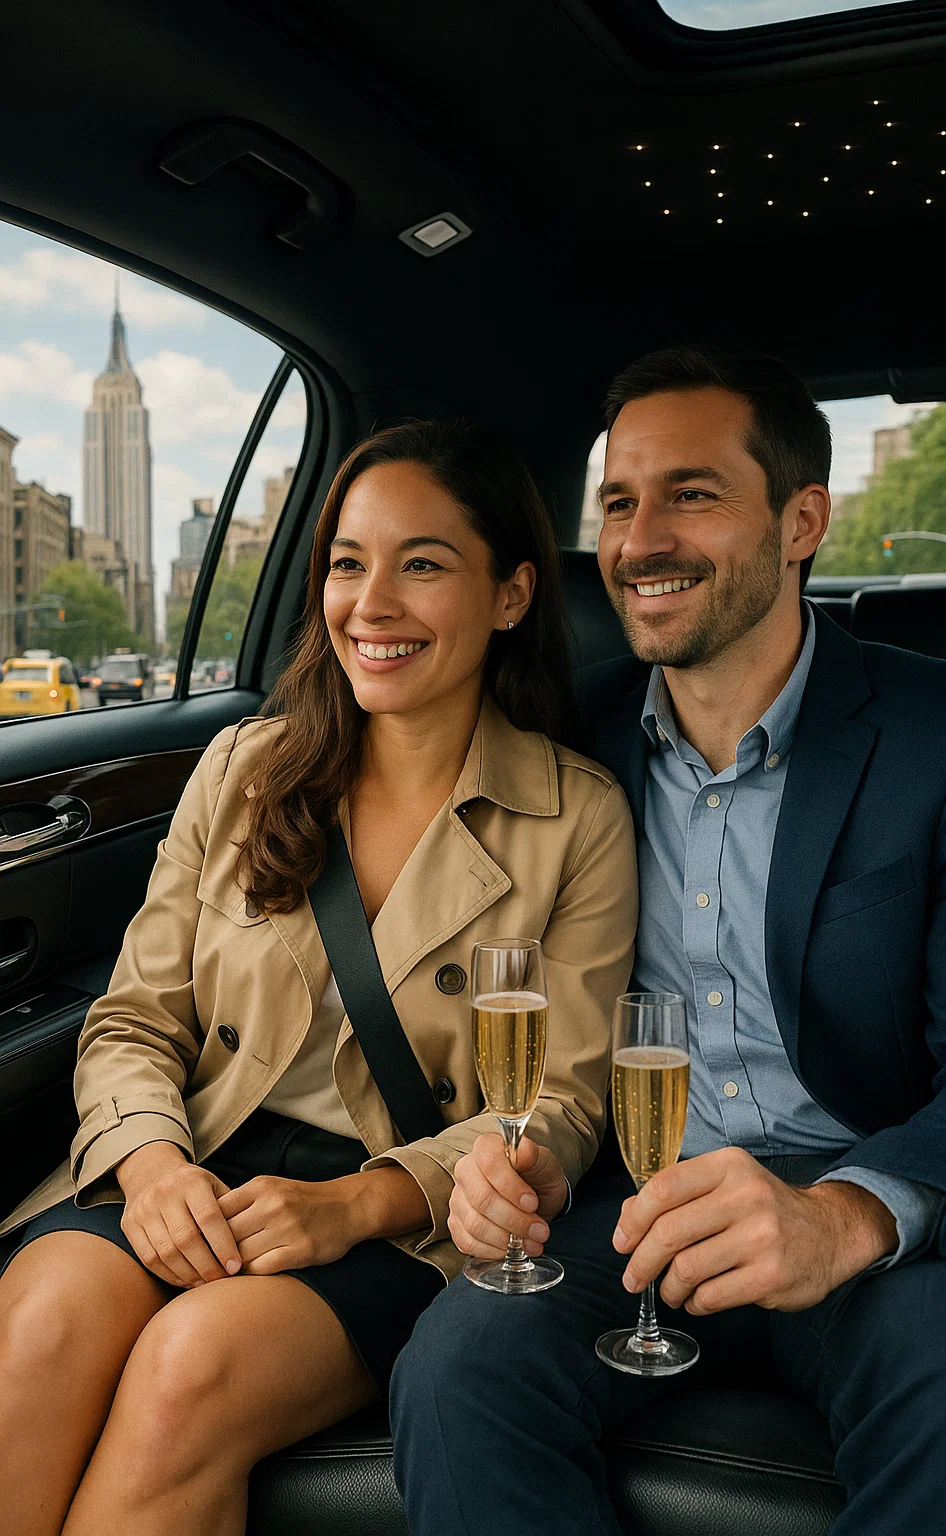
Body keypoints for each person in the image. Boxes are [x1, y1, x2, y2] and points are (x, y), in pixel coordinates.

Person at [391, 348, 946, 1535]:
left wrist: (841, 1217)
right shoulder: (558, 742)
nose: (640, 541)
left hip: (880, 1212)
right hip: (632, 1201)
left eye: (690, 493)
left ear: (800, 521)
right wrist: (495, 1158)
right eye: (619, 504)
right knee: (455, 1371)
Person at [0, 419, 637, 1536]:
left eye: (422, 564)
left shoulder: (576, 816)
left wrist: (351, 1206)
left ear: (510, 593)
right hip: (192, 1162)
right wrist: (152, 1168)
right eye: (348, 563)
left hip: (394, 1212)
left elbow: (561, 1105)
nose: (371, 603)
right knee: (40, 1331)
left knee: (188, 1369)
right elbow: (133, 1021)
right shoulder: (244, 769)